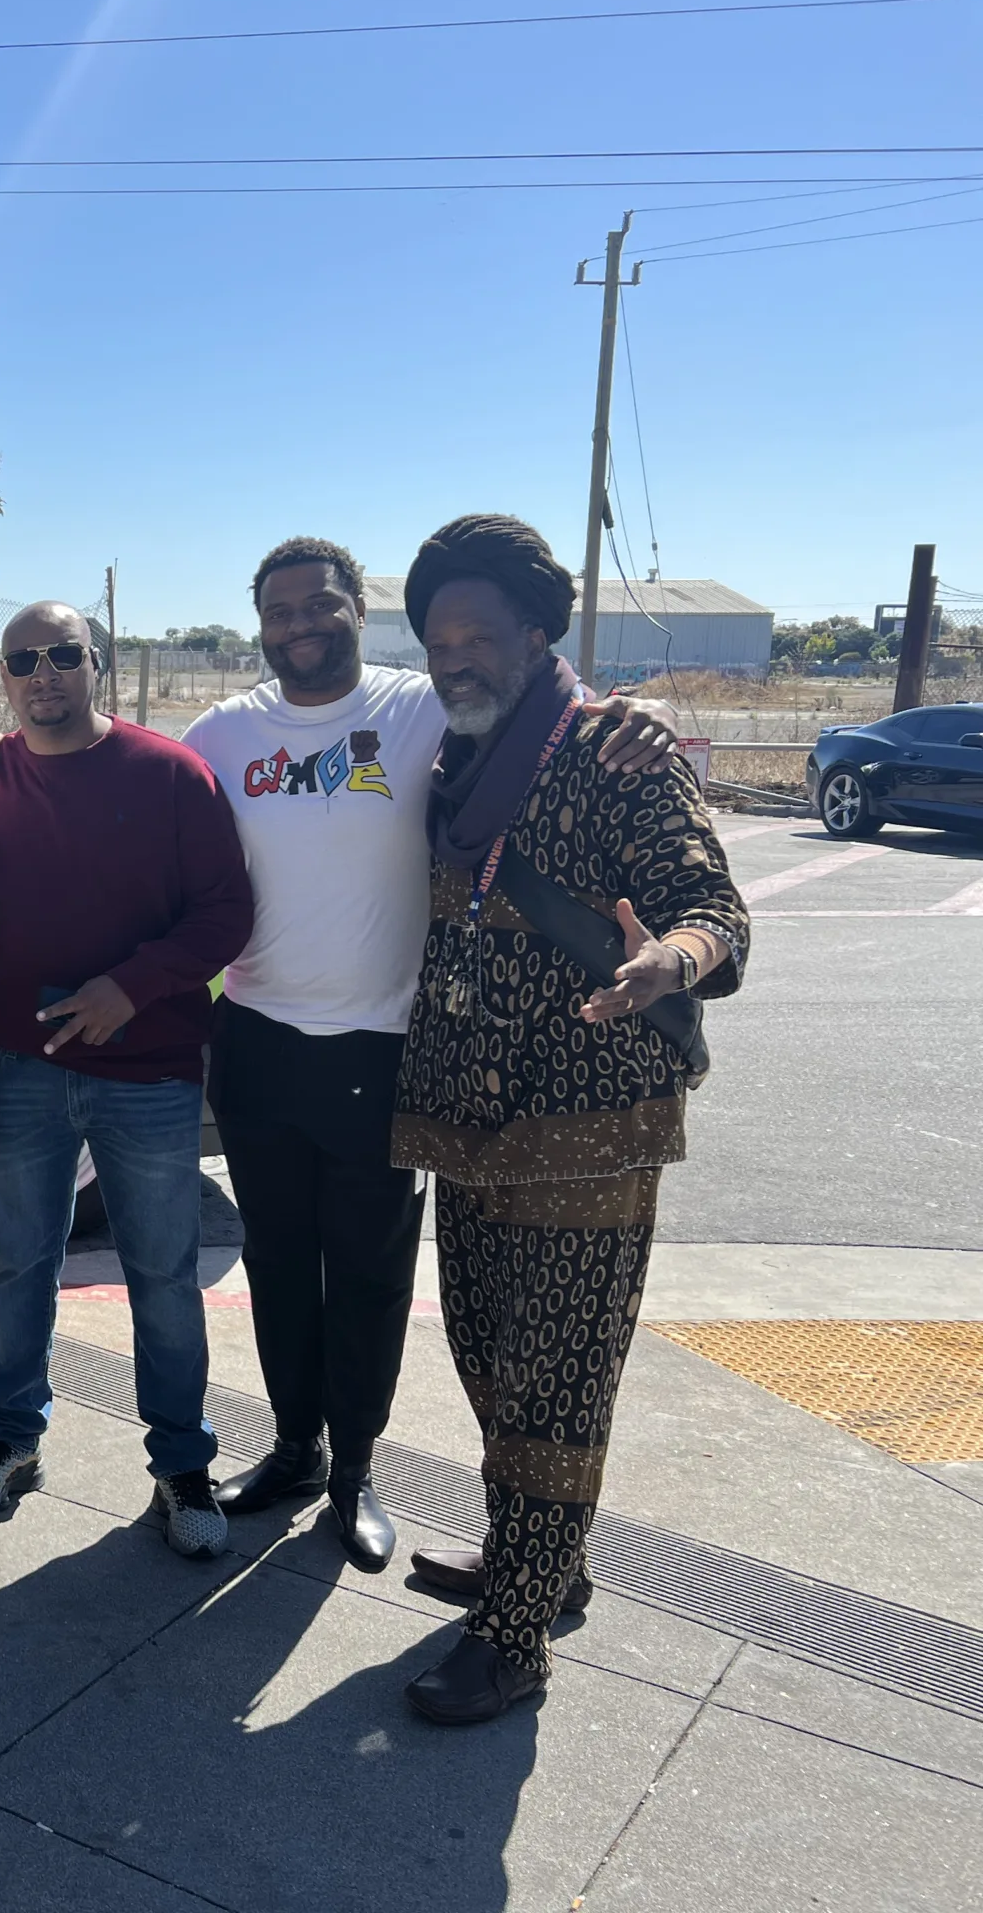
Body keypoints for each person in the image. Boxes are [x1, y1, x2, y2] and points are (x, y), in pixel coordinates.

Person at [180, 539, 682, 1573]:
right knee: (277, 1265)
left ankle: (357, 1477)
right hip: (260, 1042)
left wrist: (643, 717)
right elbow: (121, 793)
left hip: (387, 1049)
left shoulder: (422, 707)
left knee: (364, 1276)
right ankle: (294, 1451)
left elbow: (552, 709)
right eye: (276, 611)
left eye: (318, 605)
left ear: (356, 613)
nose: (297, 626)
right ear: (258, 621)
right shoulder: (219, 735)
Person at [387, 514, 746, 1725]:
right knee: (488, 1363)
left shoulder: (613, 753)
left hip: (591, 1128)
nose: (456, 659)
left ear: (536, 634)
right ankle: (544, 1562)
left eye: (478, 634)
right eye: (439, 639)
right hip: (470, 1125)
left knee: (557, 1386)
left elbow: (713, 906)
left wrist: (671, 963)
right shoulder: (455, 760)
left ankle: (514, 1640)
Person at [0, 604, 254, 1560]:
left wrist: (131, 989)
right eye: (23, 660)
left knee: (163, 1276)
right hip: (13, 1064)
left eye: (64, 656)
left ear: (99, 664)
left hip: (145, 1071)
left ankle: (180, 1463)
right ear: (2, 679)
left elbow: (226, 913)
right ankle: (12, 1437)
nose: (44, 674)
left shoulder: (172, 775)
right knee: (18, 1267)